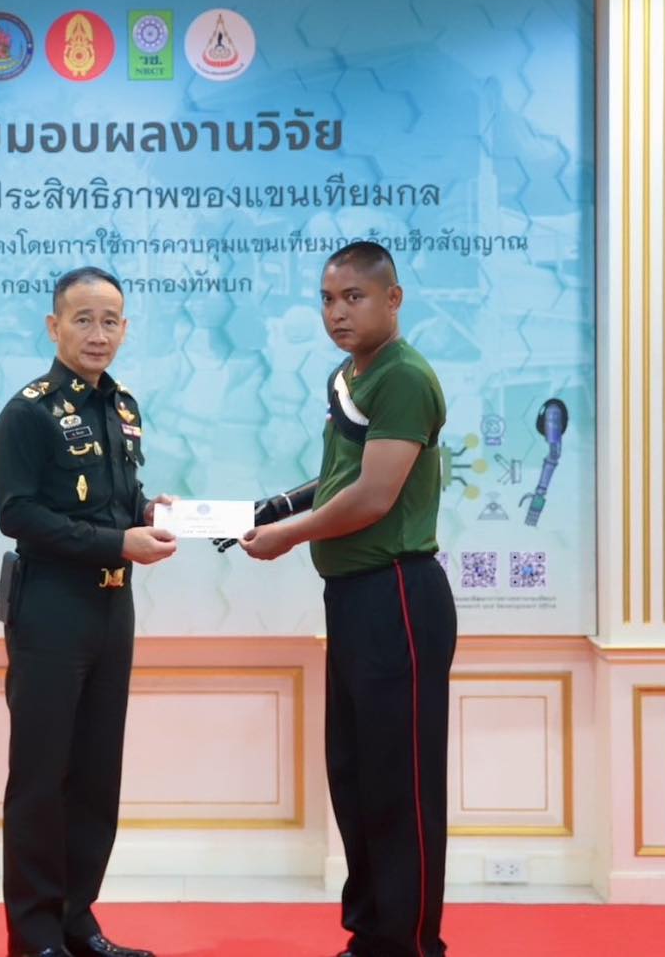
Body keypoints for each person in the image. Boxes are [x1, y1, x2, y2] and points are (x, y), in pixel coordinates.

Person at [240, 241, 456, 957]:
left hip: (399, 595)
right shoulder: (349, 376)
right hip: (355, 598)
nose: (338, 312)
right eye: (328, 300)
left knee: (401, 784)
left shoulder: (404, 377)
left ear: (393, 300)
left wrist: (288, 535)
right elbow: (340, 476)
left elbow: (372, 496)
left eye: (354, 297)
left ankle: (411, 944)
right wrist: (278, 506)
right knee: (357, 777)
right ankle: (371, 935)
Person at [0, 266, 177, 957]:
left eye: (110, 321)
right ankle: (35, 936)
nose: (98, 334)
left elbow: (114, 500)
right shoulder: (28, 412)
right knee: (42, 778)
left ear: (124, 329)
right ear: (54, 326)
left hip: (111, 608)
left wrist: (147, 513)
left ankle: (77, 920)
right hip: (51, 612)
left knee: (97, 775)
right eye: (83, 319)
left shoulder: (122, 406)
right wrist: (116, 541)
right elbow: (17, 515)